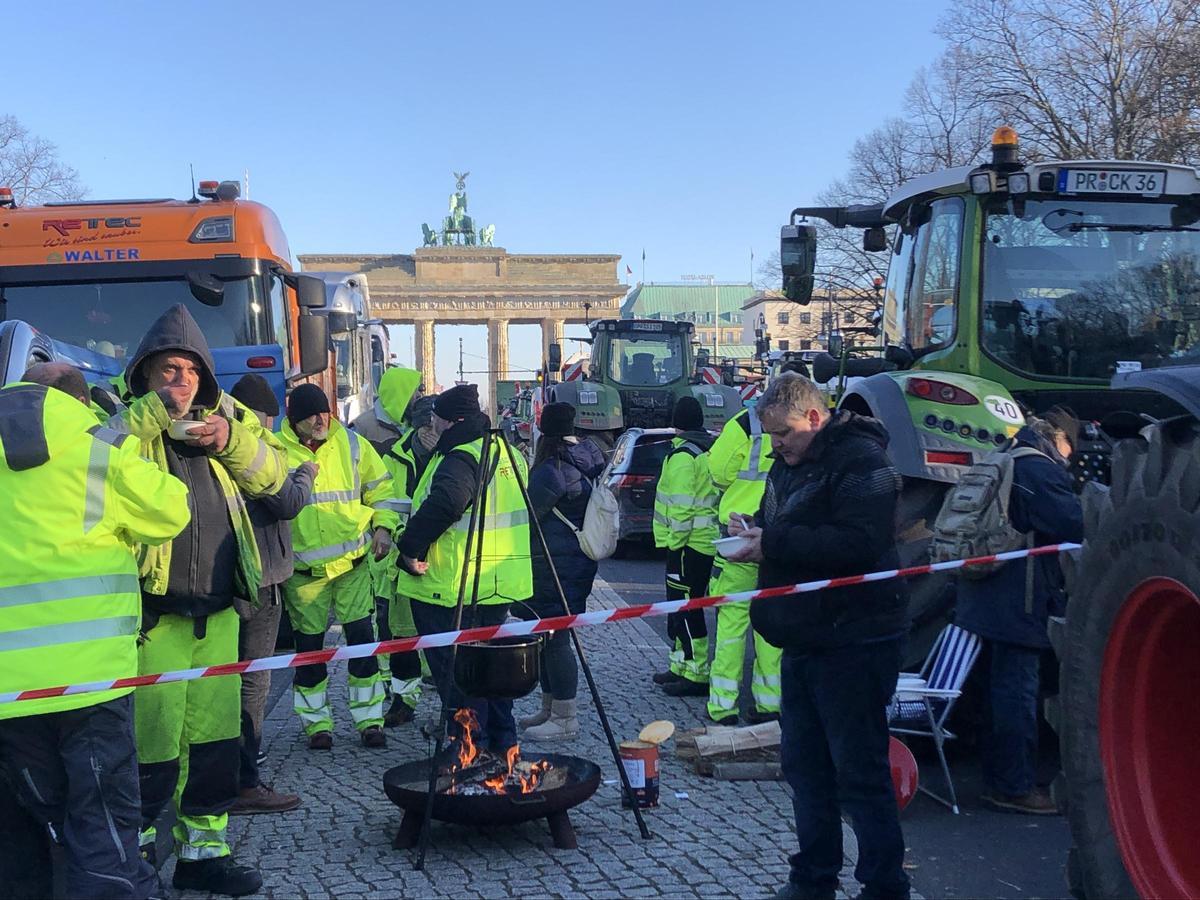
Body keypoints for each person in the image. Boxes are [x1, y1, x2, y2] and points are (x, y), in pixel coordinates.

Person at [112, 304, 287, 897]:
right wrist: (150, 417)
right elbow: (96, 458)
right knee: (148, 749)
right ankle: (130, 861)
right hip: (151, 617)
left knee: (213, 748)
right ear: (143, 374)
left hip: (218, 613)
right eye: (167, 370)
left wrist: (231, 440)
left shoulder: (226, 419)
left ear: (206, 378)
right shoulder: (120, 419)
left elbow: (281, 484)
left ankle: (202, 854)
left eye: (189, 370)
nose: (179, 380)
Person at [0, 370, 190, 899]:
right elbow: (171, 510)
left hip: (7, 691)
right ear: (81, 402)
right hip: (91, 682)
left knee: (32, 826)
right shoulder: (97, 449)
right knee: (102, 817)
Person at [730, 373, 910, 900]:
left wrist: (774, 542)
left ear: (814, 417)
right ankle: (812, 879)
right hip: (803, 635)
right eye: (769, 436)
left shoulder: (862, 461)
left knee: (859, 772)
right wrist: (754, 530)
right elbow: (778, 522)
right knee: (805, 768)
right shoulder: (787, 464)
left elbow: (861, 542)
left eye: (782, 433)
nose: (775, 444)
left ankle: (884, 886)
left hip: (855, 637)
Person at [954, 409, 1083, 815]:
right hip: (1019, 602)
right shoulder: (1039, 471)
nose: (1069, 458)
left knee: (996, 693)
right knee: (1016, 695)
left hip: (984, 595)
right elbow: (1074, 525)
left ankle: (1000, 778)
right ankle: (1014, 786)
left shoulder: (1003, 454)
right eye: (1070, 449)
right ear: (1059, 439)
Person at [395, 383, 533, 754]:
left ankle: (466, 756)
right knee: (494, 676)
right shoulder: (508, 453)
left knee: (459, 680)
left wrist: (409, 546)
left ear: (451, 421)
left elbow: (446, 503)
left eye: (436, 417)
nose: (432, 424)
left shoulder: (461, 456)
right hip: (497, 584)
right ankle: (504, 750)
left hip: (453, 587)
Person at [278, 384, 398, 750]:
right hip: (304, 574)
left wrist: (383, 527)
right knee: (310, 653)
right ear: (294, 420)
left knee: (362, 645)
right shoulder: (275, 451)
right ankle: (317, 726)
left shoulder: (352, 444)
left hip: (352, 566)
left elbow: (381, 491)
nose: (321, 419)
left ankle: (370, 721)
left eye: (325, 412)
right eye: (312, 415)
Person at [227, 374, 313, 815]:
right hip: (259, 579)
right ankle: (246, 774)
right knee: (253, 677)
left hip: (227, 580)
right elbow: (288, 502)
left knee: (222, 676)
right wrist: (304, 473)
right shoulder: (250, 444)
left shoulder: (212, 436)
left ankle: (229, 768)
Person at [517, 402, 606, 740]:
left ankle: (565, 717)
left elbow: (529, 513)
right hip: (571, 562)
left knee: (554, 639)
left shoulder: (553, 469)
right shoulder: (585, 458)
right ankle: (549, 707)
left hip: (556, 564)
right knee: (548, 637)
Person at [704, 399, 782, 725]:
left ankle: (723, 708)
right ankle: (769, 706)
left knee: (732, 626)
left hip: (739, 535)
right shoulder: (802, 427)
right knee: (770, 630)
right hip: (777, 538)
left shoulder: (744, 423)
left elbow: (717, 470)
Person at [376, 394, 439, 726]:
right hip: (400, 562)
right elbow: (382, 503)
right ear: (416, 427)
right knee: (400, 638)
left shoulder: (452, 456)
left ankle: (452, 707)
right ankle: (403, 702)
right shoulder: (393, 457)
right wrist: (398, 536)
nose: (433, 432)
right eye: (427, 426)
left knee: (446, 638)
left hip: (441, 562)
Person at [652, 395, 718, 697]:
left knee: (687, 608)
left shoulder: (682, 457)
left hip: (687, 546)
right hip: (704, 543)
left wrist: (673, 546)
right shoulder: (707, 449)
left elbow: (682, 509)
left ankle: (696, 672)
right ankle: (680, 664)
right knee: (683, 607)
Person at [351, 365, 422, 448]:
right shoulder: (362, 427)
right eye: (413, 391)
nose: (419, 395)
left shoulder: (416, 424)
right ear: (399, 394)